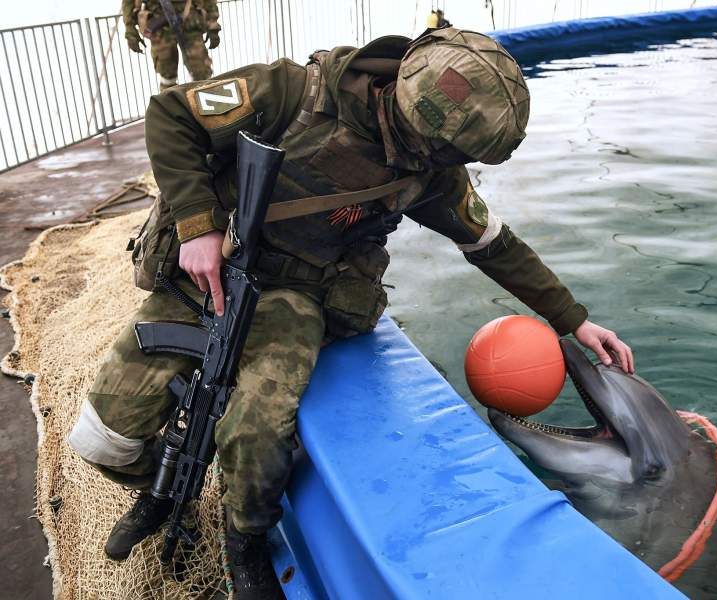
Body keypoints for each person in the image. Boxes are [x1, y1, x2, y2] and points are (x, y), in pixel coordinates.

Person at [68, 27, 635, 600]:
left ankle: (243, 543)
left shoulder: (433, 170)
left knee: (256, 434)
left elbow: (493, 244)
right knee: (102, 439)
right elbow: (171, 115)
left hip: (297, 297)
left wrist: (575, 320)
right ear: (409, 105)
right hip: (211, 268)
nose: (442, 164)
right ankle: (163, 494)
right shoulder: (292, 91)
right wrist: (197, 223)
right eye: (440, 150)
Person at [122, 0, 221, 90]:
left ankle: (210, 105)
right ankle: (172, 106)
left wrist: (213, 25)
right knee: (167, 77)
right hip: (160, 28)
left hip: (190, 23)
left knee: (202, 75)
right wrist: (130, 29)